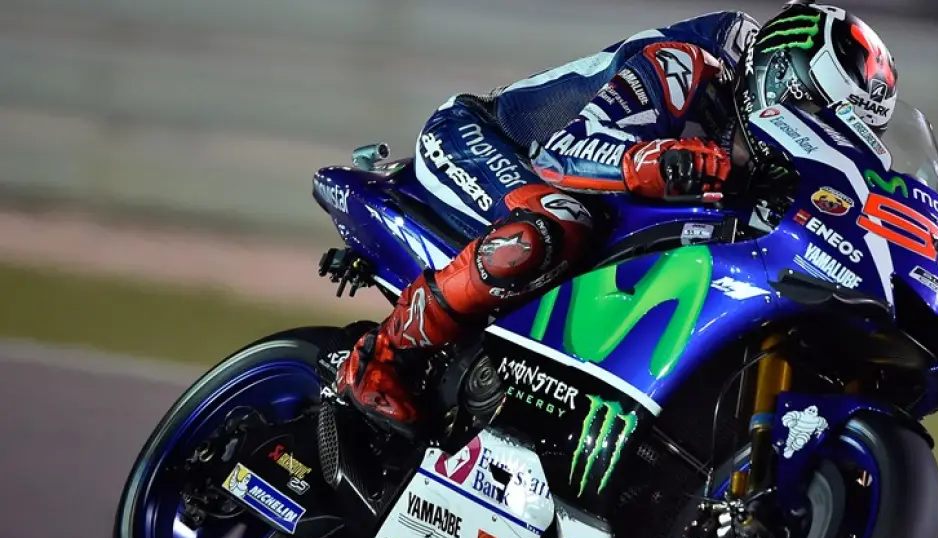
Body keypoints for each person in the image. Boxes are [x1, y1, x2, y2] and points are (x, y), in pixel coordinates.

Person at [333, 1, 900, 435]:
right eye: (820, 114)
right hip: (487, 141)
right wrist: (655, 160)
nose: (827, 136)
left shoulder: (766, 162)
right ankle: (383, 359)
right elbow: (562, 151)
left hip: (573, 187)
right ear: (781, 76)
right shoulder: (690, 66)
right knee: (555, 225)